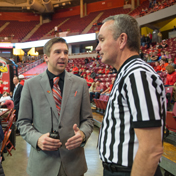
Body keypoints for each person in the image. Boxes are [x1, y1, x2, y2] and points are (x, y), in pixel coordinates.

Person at [96, 14, 166, 176]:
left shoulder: (137, 75)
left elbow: (151, 149)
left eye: (101, 40)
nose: (97, 47)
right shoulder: (128, 73)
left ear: (122, 40)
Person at [17, 37, 94, 176]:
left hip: (73, 164)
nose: (63, 56)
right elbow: (23, 122)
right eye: (57, 52)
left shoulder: (80, 84)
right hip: (42, 165)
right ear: (45, 57)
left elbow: (88, 120)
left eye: (65, 52)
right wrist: (37, 139)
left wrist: (82, 134)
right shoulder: (30, 85)